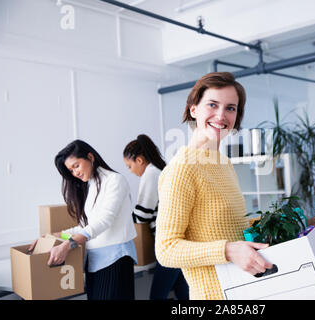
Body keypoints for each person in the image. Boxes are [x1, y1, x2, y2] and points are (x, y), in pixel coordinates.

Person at [155, 72, 273, 300]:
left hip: (244, 291)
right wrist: (228, 250)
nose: (221, 115)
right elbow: (166, 250)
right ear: (193, 110)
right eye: (212, 104)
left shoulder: (224, 163)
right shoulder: (182, 169)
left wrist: (267, 225)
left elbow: (225, 225)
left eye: (230, 108)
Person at [29, 140, 138, 300]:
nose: (75, 173)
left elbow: (104, 221)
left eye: (76, 166)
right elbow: (85, 227)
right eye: (71, 170)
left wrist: (68, 245)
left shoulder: (115, 180)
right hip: (94, 262)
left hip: (115, 260)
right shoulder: (91, 185)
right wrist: (53, 236)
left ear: (90, 157)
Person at [123, 134, 189, 300]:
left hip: (169, 242)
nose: (131, 171)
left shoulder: (151, 173)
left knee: (158, 295)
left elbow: (142, 215)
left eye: (129, 166)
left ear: (139, 160)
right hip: (179, 240)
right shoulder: (160, 170)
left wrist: (120, 220)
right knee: (182, 292)